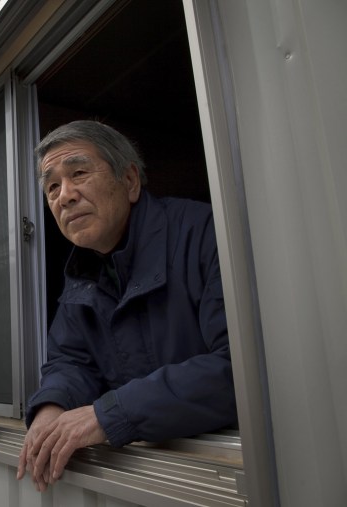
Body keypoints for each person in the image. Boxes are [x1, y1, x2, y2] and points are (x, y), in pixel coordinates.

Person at [16, 120, 237, 492]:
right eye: (52, 186)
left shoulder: (205, 233)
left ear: (131, 181)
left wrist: (107, 415)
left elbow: (239, 369)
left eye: (79, 173)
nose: (64, 195)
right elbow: (70, 361)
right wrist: (50, 409)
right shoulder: (81, 272)